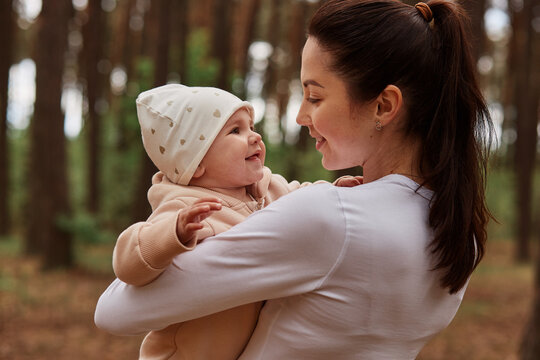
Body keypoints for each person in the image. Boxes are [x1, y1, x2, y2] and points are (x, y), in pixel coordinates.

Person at [95, 1, 493, 358]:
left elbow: (113, 312)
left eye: (315, 96)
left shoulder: (328, 218)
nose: (301, 116)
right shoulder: (459, 233)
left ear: (384, 105)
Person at [112, 83, 359, 360]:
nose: (255, 136)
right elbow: (129, 263)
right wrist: (174, 233)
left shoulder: (268, 188)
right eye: (235, 131)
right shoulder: (187, 206)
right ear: (196, 162)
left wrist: (335, 190)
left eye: (251, 126)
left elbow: (304, 200)